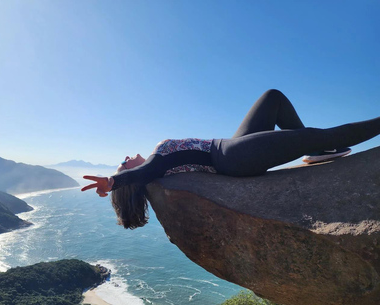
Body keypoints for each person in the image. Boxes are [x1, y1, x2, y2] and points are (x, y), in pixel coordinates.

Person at [82, 89, 380, 229]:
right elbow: (143, 172)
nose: (127, 157)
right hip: (233, 157)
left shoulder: (156, 164)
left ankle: (313, 150)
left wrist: (118, 177)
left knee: (272, 98)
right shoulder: (153, 168)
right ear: (133, 176)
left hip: (231, 145)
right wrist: (114, 180)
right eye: (124, 161)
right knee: (320, 135)